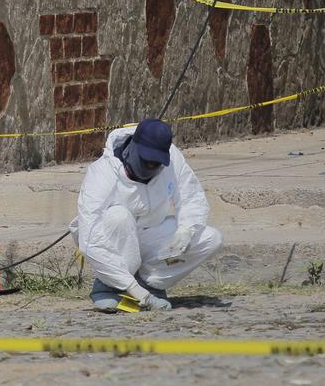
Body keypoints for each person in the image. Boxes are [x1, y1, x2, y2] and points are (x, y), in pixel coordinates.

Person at [70, 118, 222, 312]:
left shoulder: (172, 158)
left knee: (210, 238)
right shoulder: (102, 172)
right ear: (133, 147)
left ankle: (150, 285)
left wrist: (185, 230)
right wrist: (130, 285)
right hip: (113, 237)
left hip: (150, 233)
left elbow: (191, 197)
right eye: (147, 160)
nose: (151, 166)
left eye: (157, 163)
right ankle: (109, 287)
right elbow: (90, 238)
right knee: (119, 216)